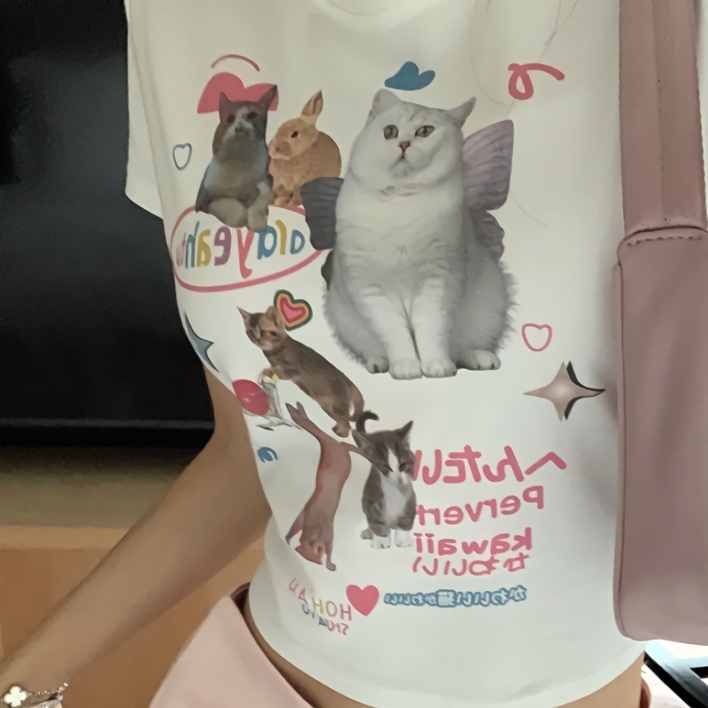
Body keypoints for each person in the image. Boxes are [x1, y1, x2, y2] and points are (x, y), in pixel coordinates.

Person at [3, 0, 674, 705]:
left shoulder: (661, 23)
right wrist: (19, 686)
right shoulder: (174, 18)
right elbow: (248, 457)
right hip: (266, 680)